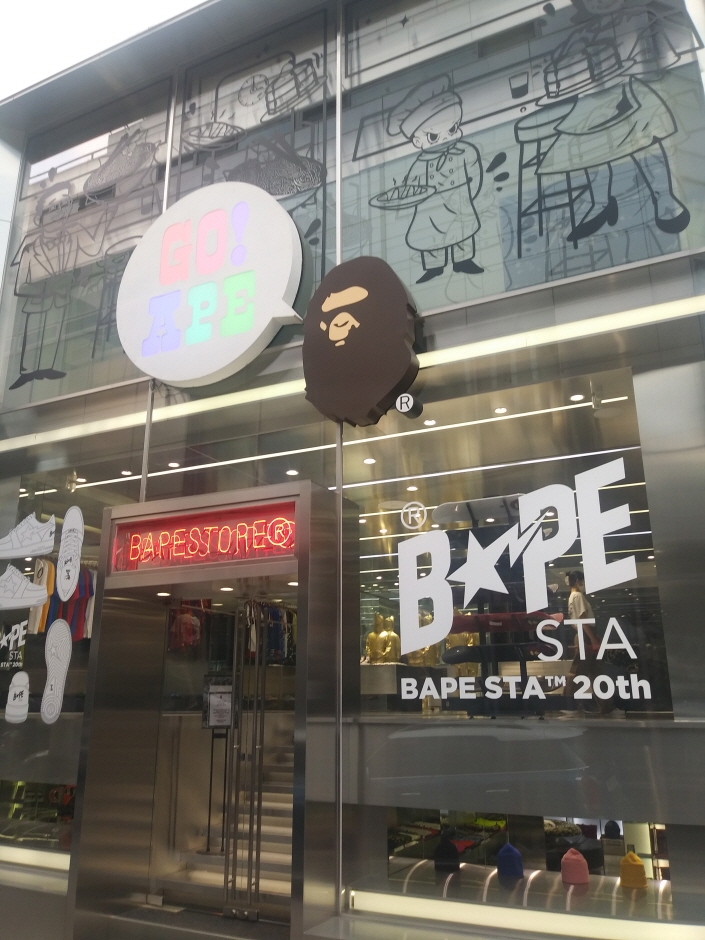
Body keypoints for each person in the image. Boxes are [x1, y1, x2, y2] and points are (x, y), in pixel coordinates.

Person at [534, 0, 700, 241]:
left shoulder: (635, 14)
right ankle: (601, 204)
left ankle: (663, 197)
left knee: (646, 138)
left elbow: (665, 39)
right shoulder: (580, 35)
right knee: (591, 148)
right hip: (594, 102)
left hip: (629, 92)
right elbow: (562, 60)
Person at [375, 75, 484, 283]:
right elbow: (411, 188)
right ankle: (434, 267)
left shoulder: (465, 151)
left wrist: (468, 195)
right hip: (430, 210)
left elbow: (475, 174)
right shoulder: (419, 163)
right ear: (418, 141)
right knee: (431, 238)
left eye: (453, 128)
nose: (445, 138)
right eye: (433, 136)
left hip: (459, 202)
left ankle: (463, 261)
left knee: (462, 231)